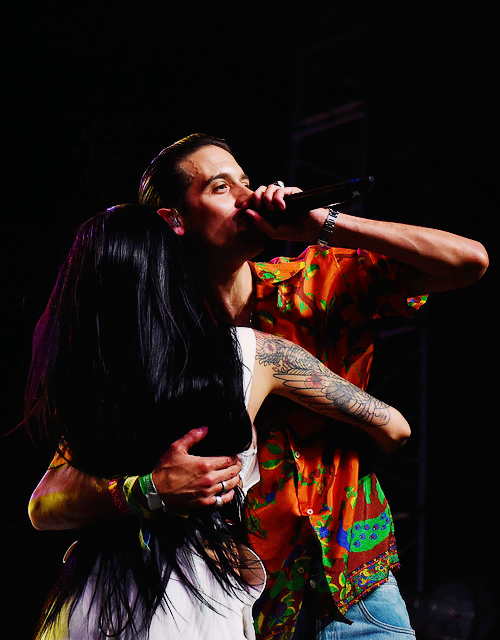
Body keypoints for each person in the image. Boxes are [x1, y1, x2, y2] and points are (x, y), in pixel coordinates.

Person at [29, 134, 489, 638]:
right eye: (221, 187)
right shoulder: (153, 343)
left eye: (247, 183)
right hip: (250, 602)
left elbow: (469, 262)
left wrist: (327, 225)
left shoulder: (317, 279)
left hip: (355, 587)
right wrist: (150, 489)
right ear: (174, 220)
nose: (247, 197)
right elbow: (52, 497)